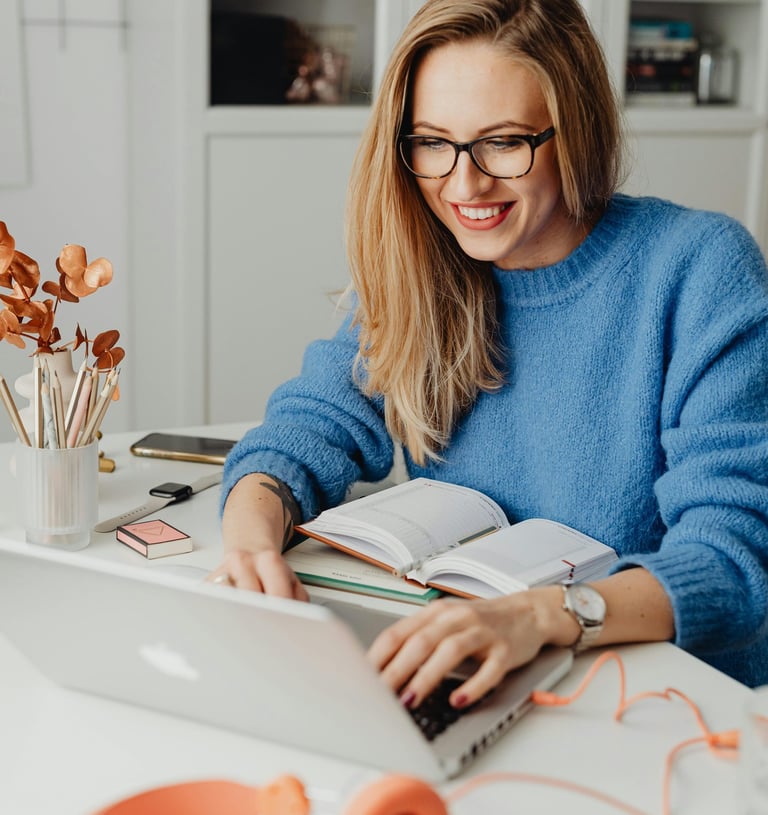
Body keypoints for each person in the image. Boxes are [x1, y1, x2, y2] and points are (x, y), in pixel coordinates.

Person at [213, 0, 768, 707]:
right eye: (433, 142)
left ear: (577, 131)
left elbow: (734, 561)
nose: (464, 184)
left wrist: (542, 615)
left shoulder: (699, 269)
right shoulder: (423, 263)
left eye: (503, 142)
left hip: (664, 700)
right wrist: (250, 539)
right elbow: (306, 428)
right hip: (484, 676)